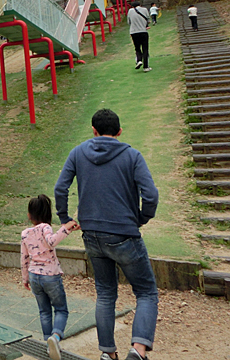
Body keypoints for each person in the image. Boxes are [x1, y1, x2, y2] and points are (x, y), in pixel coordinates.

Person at [54, 109, 159, 360]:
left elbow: (61, 188)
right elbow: (151, 195)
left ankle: (107, 353)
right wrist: (141, 218)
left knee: (105, 293)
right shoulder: (132, 156)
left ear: (93, 130)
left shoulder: (78, 153)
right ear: (119, 132)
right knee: (146, 292)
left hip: (91, 234)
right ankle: (138, 349)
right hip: (124, 234)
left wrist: (64, 218)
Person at [21, 194, 79, 360]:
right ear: (48, 214)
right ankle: (55, 337)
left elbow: (24, 258)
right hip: (50, 276)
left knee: (44, 311)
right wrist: (66, 228)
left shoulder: (25, 233)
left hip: (33, 275)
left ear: (29, 215)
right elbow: (52, 241)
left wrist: (25, 278)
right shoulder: (46, 227)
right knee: (61, 309)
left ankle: (48, 344)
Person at [127, 1, 151, 72]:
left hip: (134, 32)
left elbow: (129, 22)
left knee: (137, 48)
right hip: (143, 31)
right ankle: (146, 67)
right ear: (140, 5)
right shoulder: (145, 9)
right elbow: (148, 20)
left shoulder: (130, 11)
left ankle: (139, 60)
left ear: (132, 6)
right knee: (145, 48)